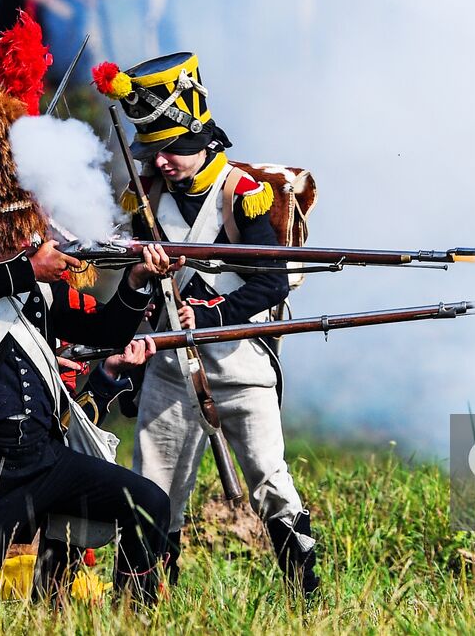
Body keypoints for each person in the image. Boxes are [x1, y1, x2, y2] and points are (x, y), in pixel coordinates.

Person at [0, 77, 172, 602]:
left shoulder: (39, 283)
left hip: (43, 459)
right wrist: (27, 269)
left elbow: (106, 331)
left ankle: (135, 613)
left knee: (152, 507)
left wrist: (138, 285)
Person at [92, 52, 320, 594]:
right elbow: (133, 282)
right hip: (171, 367)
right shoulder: (147, 196)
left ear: (198, 138)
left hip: (240, 364)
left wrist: (211, 311)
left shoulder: (240, 195)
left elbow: (270, 285)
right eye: (154, 149)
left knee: (269, 481)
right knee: (155, 486)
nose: (161, 160)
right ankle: (141, 600)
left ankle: (305, 595)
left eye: (170, 147)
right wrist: (144, 279)